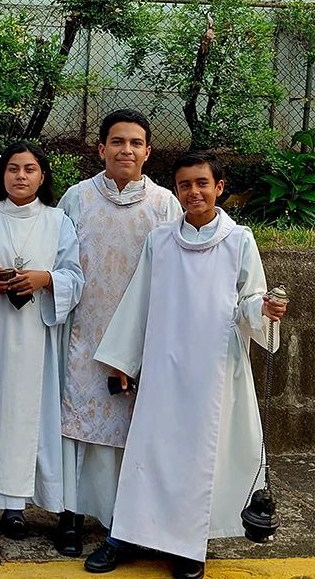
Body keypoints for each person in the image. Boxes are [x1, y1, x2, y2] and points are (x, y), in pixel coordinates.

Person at [84, 152, 286, 579]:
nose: (193, 192)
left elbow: (249, 299)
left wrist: (264, 309)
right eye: (184, 185)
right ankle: (123, 536)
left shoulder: (239, 240)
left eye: (201, 183)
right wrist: (123, 361)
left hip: (214, 370)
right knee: (148, 451)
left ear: (219, 187)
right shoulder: (160, 240)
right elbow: (139, 302)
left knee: (200, 458)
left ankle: (189, 547)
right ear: (176, 192)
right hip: (163, 364)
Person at [55, 109, 182, 556]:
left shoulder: (166, 203)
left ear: (148, 151)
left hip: (143, 333)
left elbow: (177, 268)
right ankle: (70, 515)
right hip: (85, 331)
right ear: (102, 147)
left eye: (135, 143)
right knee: (78, 421)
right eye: (117, 141)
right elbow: (63, 261)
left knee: (134, 429)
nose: (125, 150)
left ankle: (125, 519)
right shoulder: (77, 197)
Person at [0, 142, 83, 541]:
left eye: (30, 169)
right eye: (13, 168)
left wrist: (46, 279)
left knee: (25, 417)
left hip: (36, 334)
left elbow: (75, 275)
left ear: (42, 176)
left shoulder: (57, 221)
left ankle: (16, 506)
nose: (21, 176)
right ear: (1, 175)